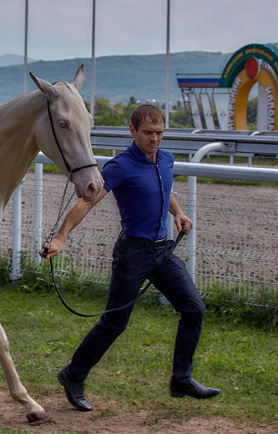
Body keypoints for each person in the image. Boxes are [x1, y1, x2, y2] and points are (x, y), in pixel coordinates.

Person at [40, 104, 220, 411]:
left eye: (159, 133)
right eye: (148, 133)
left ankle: (181, 379)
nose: (155, 139)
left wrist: (178, 212)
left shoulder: (165, 159)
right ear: (133, 131)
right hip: (132, 254)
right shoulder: (120, 166)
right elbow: (87, 202)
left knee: (194, 309)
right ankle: (73, 375)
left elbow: (166, 187)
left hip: (162, 251)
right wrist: (60, 236)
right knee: (114, 323)